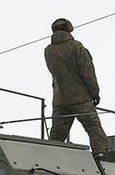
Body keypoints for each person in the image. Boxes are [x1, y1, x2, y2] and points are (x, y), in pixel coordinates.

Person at [44, 18, 109, 158]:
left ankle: (49, 158)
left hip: (59, 99)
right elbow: (87, 73)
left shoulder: (48, 51)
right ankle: (100, 153)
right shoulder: (76, 47)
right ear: (69, 30)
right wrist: (95, 93)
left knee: (57, 136)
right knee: (93, 126)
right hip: (80, 97)